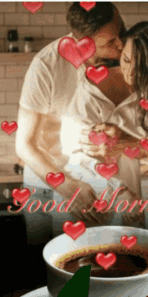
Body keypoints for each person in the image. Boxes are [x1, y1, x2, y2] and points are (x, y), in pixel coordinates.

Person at [63, 21, 148, 238]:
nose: (131, 72)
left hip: (134, 209)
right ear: (120, 50)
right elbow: (76, 157)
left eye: (142, 67)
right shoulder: (91, 90)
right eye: (126, 59)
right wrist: (118, 191)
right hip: (91, 204)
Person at [15, 2, 128, 248]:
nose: (120, 45)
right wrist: (67, 187)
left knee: (95, 266)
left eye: (120, 33)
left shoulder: (123, 63)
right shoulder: (45, 66)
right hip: (47, 183)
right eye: (110, 43)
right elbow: (24, 145)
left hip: (93, 185)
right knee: (47, 267)